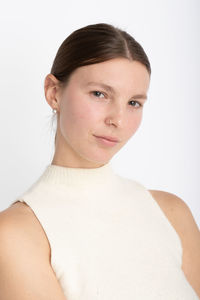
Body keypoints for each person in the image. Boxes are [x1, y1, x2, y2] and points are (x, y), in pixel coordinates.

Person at [0, 23, 199, 300]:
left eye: (134, 103)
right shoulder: (17, 234)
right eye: (99, 94)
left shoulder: (173, 213)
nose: (117, 120)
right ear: (53, 92)